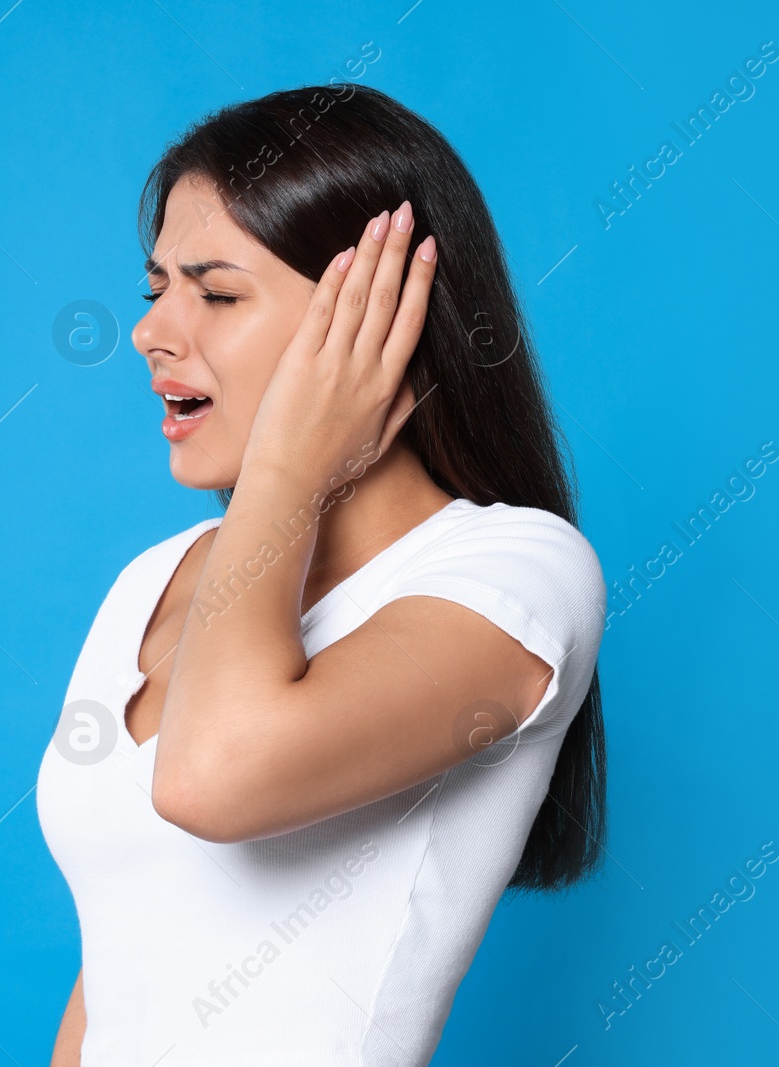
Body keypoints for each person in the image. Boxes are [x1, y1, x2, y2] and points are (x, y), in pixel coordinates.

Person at [37, 84, 608, 1066]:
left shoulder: (517, 571)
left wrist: (291, 468)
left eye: (215, 292)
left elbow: (213, 778)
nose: (151, 332)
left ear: (386, 317)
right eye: (155, 289)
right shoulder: (153, 580)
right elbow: (118, 968)